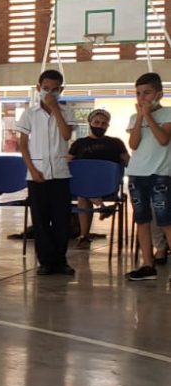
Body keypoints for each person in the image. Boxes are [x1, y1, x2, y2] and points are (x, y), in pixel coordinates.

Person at [16, 69, 75, 276]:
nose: (49, 93)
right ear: (38, 88)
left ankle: (61, 260)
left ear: (61, 90)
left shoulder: (67, 112)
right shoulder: (29, 114)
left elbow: (66, 135)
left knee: (61, 219)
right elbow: (23, 145)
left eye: (54, 89)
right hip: (37, 174)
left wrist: (55, 109)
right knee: (40, 220)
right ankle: (46, 262)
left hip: (60, 173)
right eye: (45, 88)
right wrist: (32, 170)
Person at [125, 73, 171, 281]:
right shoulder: (135, 118)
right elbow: (133, 144)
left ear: (159, 94)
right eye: (138, 93)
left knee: (165, 221)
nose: (141, 97)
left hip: (161, 175)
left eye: (147, 93)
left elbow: (163, 139)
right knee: (142, 220)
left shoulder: (168, 114)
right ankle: (147, 264)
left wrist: (149, 116)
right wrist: (141, 118)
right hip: (137, 174)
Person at [68, 108, 128, 249]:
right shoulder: (79, 143)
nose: (99, 126)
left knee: (83, 195)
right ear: (89, 122)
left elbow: (127, 161)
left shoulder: (116, 143)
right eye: (96, 122)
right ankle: (85, 234)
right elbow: (68, 163)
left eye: (103, 123)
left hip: (108, 186)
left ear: (107, 126)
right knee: (83, 194)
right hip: (83, 185)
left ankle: (98, 208)